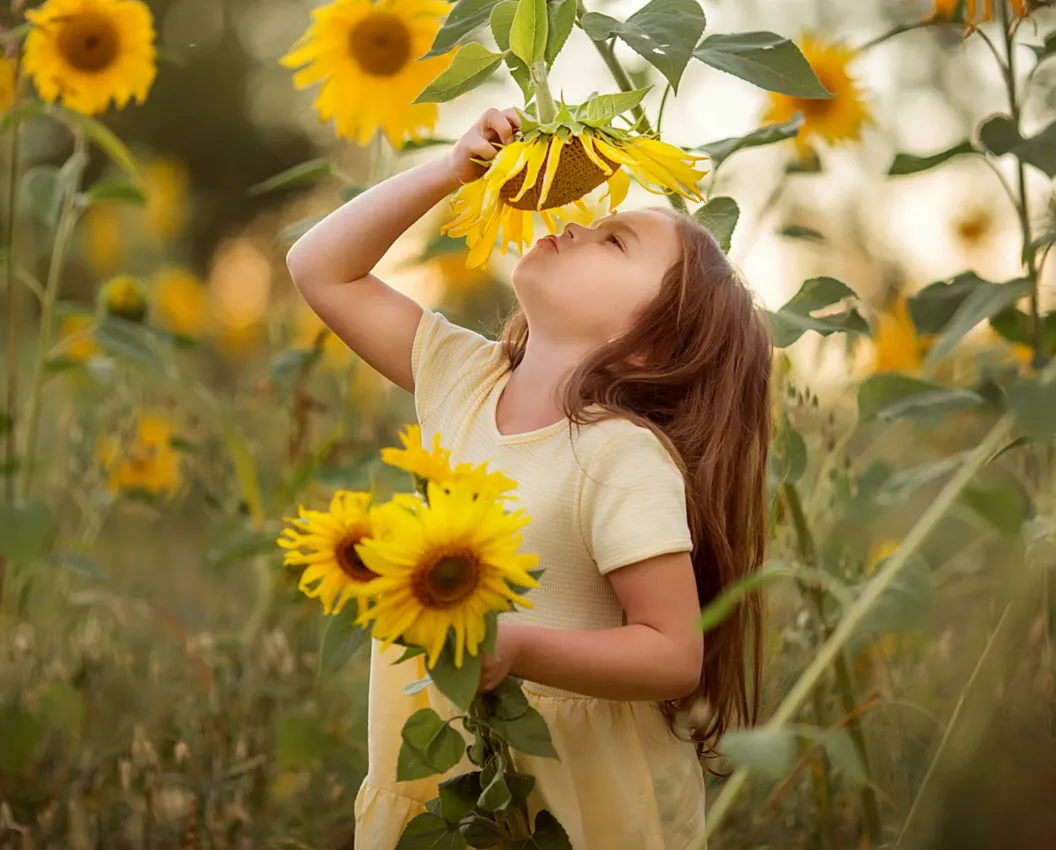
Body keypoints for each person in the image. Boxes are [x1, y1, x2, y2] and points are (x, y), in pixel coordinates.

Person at [285, 107, 773, 850]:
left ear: (650, 344)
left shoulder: (620, 457)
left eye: (615, 241)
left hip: (577, 806)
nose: (576, 225)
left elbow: (672, 653)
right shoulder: (463, 378)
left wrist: (518, 646)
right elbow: (318, 266)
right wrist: (453, 172)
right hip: (449, 783)